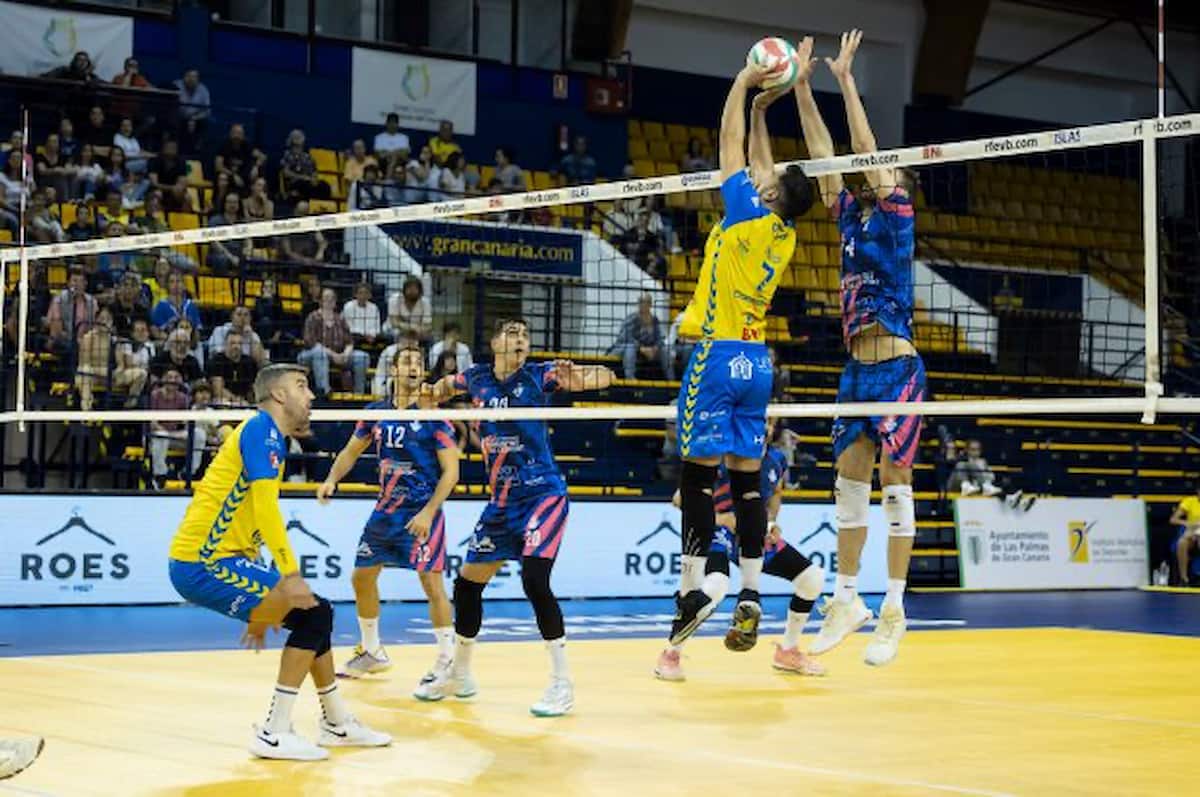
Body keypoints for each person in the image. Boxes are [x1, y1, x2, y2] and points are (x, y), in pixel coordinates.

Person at [668, 54, 815, 653]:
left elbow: (731, 148)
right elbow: (761, 163)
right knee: (748, 483)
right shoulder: (785, 230)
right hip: (760, 364)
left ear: (772, 193)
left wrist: (740, 84)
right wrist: (764, 111)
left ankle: (697, 587)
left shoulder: (745, 214)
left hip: (720, 354)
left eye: (770, 179)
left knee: (696, 476)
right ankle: (752, 593)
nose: (762, 175)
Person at [168, 364, 391, 759]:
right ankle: (274, 730)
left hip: (224, 558)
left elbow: (255, 510)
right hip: (203, 562)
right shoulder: (260, 430)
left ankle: (336, 723)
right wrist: (288, 572)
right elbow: (267, 507)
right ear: (279, 396)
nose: (311, 396)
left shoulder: (270, 437)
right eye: (301, 386)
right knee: (314, 614)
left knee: (316, 615)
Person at [796, 31, 923, 667]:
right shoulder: (848, 213)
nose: (871, 173)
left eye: (881, 170)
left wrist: (845, 79)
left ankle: (895, 608)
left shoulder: (896, 209)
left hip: (897, 366)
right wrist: (799, 84)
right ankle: (847, 599)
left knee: (895, 482)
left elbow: (866, 149)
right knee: (848, 482)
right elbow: (824, 155)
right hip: (855, 369)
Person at [424, 319, 615, 715]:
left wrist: (580, 377)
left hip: (542, 493)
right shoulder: (476, 378)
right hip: (502, 503)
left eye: (526, 334)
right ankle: (460, 673)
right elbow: (443, 388)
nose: (521, 339)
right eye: (512, 333)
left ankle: (562, 684)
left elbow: (605, 377)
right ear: (494, 343)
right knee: (466, 587)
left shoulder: (539, 375)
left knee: (534, 578)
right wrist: (431, 393)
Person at [317, 347, 460, 696]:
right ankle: (372, 651)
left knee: (432, 583)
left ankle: (449, 660)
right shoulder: (375, 412)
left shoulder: (432, 416)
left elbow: (452, 472)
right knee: (361, 577)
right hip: (386, 510)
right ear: (393, 369)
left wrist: (428, 512)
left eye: (418, 362)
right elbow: (351, 451)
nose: (414, 367)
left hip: (421, 510)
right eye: (407, 361)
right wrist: (332, 479)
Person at [656, 420, 826, 680]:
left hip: (752, 533)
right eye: (761, 421)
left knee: (812, 579)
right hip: (718, 530)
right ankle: (670, 654)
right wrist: (721, 519)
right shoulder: (721, 456)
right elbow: (680, 500)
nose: (765, 427)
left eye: (769, 422)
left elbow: (775, 494)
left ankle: (788, 651)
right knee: (716, 587)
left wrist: (771, 522)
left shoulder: (777, 459)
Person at [299, 287, 370, 396]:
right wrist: (333, 355)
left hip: (338, 354)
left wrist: (345, 354)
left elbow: (349, 341)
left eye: (332, 298)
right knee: (320, 354)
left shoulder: (340, 319)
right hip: (311, 355)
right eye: (326, 298)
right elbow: (311, 342)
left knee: (362, 357)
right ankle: (324, 394)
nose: (329, 300)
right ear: (320, 301)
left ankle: (358, 394)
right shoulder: (313, 317)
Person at [611, 294, 670, 379]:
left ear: (650, 304)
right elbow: (626, 337)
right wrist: (641, 348)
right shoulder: (632, 318)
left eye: (645, 302)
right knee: (630, 348)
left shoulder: (654, 320)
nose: (642, 305)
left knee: (665, 350)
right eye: (640, 302)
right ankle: (630, 379)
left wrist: (655, 348)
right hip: (624, 349)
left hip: (649, 351)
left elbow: (660, 338)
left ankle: (671, 381)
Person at [1170, 483, 1200, 586]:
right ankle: (1184, 578)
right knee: (1181, 543)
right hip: (1192, 532)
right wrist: (1187, 523)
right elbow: (1173, 519)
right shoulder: (1189, 501)